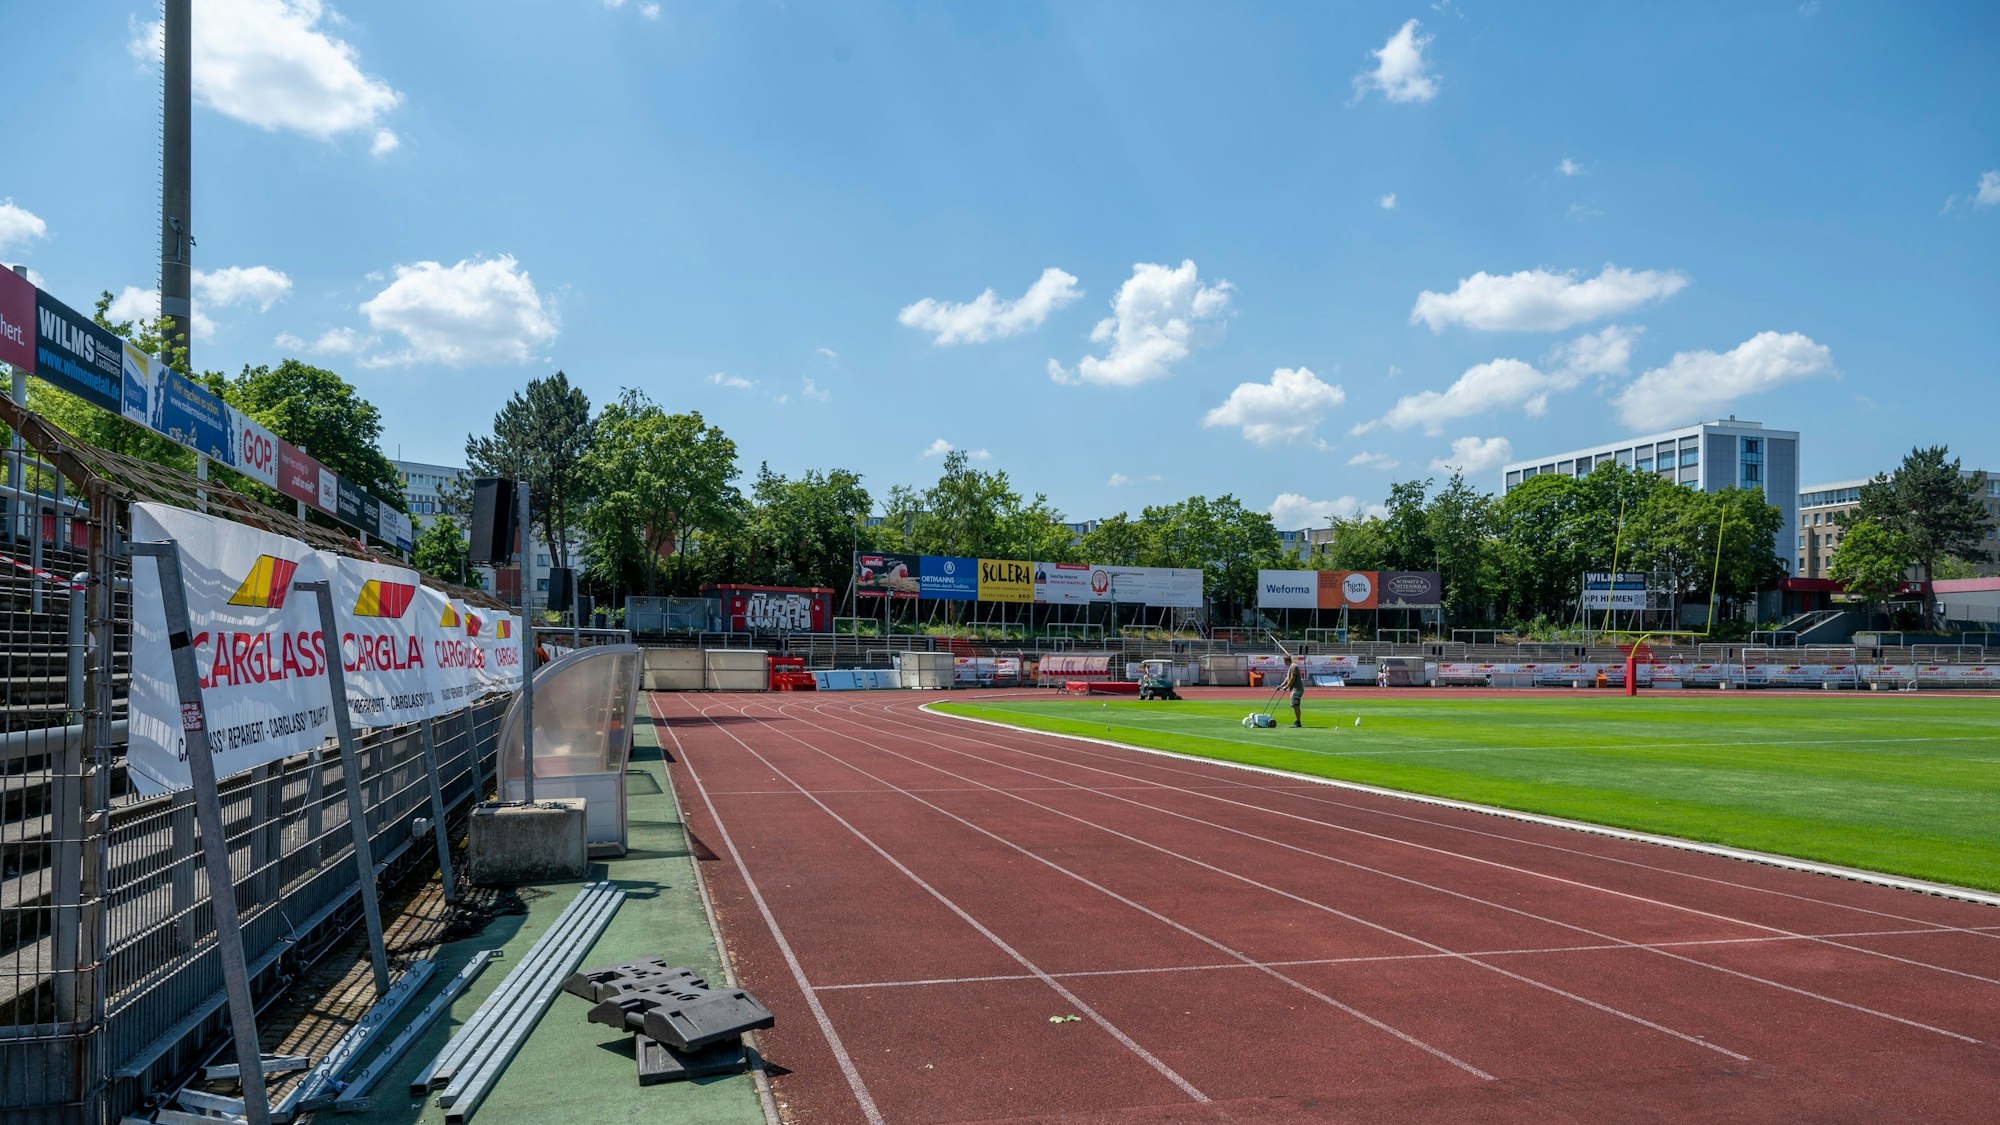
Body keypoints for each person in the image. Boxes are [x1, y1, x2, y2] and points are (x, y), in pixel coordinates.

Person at [1280, 655, 1306, 727]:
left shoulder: (1293, 666)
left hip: (1297, 689)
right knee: (1294, 705)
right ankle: (1297, 721)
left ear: (1286, 661)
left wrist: (1286, 687)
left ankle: (1298, 722)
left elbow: (1292, 678)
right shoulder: (1290, 667)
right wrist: (1281, 686)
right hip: (1294, 689)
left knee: (1295, 705)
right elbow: (1287, 678)